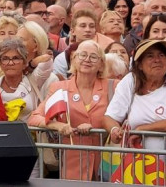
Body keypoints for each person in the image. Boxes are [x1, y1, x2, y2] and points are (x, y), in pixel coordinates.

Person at [104, 39, 166, 185]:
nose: (157, 60)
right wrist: (115, 130)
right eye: (150, 56)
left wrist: (141, 130)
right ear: (139, 64)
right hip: (138, 167)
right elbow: (110, 116)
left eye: (161, 55)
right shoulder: (130, 81)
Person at [29, 40, 111, 181]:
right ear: (74, 59)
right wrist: (57, 125)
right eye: (82, 55)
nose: (87, 60)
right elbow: (34, 117)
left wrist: (98, 127)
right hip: (72, 165)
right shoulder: (59, 87)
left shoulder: (112, 86)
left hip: (106, 164)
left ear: (101, 64)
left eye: (93, 57)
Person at [0, 38, 40, 123]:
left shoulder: (33, 82)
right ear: (0, 63)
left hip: (28, 134)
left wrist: (31, 65)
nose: (10, 63)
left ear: (24, 62)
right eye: (5, 59)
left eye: (15, 58)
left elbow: (47, 63)